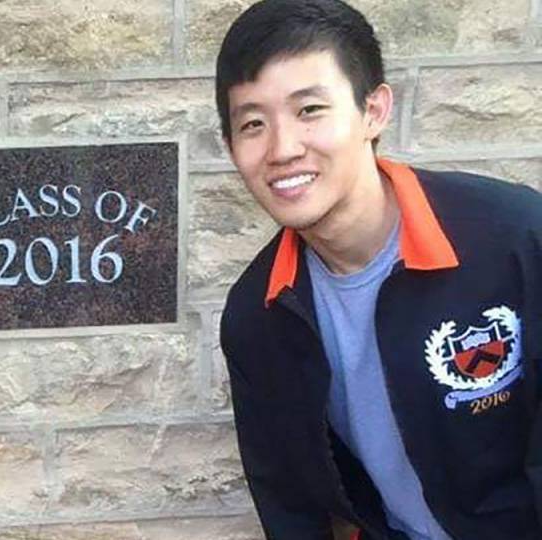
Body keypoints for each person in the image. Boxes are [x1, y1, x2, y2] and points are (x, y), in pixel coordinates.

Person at [216, 1, 542, 539]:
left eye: (310, 110)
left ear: (374, 111)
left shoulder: (514, 239)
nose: (282, 148)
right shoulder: (259, 315)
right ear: (231, 147)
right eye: (253, 123)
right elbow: (289, 505)